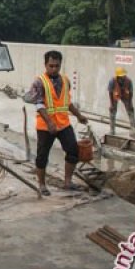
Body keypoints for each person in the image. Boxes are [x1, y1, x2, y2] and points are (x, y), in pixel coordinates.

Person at [26, 50, 88, 196]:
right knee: (42, 156)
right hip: (45, 126)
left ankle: (68, 182)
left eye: (57, 66)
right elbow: (39, 104)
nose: (54, 69)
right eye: (51, 66)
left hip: (63, 124)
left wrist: (79, 115)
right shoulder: (39, 82)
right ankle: (42, 185)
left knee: (73, 151)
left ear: (60, 65)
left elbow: (67, 102)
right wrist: (49, 122)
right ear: (45, 64)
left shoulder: (65, 80)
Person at [108, 67, 135, 135]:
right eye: (122, 76)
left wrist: (130, 104)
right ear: (118, 76)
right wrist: (111, 104)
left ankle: (134, 130)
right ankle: (112, 131)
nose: (123, 77)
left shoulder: (129, 81)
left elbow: (131, 92)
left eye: (124, 75)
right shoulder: (112, 81)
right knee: (112, 112)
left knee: (131, 111)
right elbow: (110, 92)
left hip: (125, 96)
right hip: (116, 95)